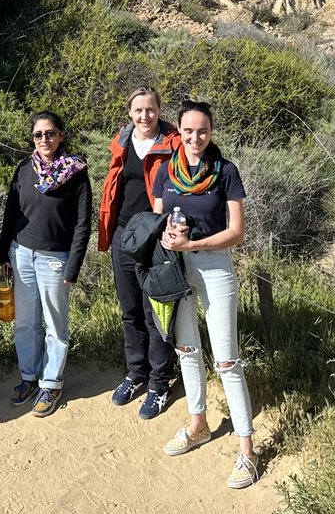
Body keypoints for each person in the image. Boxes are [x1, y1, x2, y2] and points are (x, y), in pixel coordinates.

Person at [151, 100, 259, 489]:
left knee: (227, 361)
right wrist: (169, 236)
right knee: (186, 349)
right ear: (177, 131)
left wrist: (196, 244)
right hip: (177, 268)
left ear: (212, 132)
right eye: (188, 131)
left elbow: (237, 233)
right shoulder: (166, 170)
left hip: (214, 267)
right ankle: (198, 424)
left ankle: (247, 450)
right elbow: (160, 215)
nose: (195, 138)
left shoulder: (225, 171)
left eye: (203, 131)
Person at [0, 110, 92, 418]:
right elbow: (12, 212)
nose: (44, 140)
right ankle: (29, 376)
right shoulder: (25, 170)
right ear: (32, 138)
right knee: (25, 323)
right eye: (38, 135)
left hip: (55, 259)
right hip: (21, 254)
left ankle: (51, 383)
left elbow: (82, 224)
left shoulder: (75, 173)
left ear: (60, 136)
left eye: (50, 133)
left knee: (54, 325)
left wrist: (73, 266)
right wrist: (3, 253)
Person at [98, 86, 181, 419]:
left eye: (150, 109)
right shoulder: (122, 140)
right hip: (123, 235)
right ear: (129, 113)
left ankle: (160, 381)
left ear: (160, 110)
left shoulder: (173, 143)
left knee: (155, 313)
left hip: (155, 238)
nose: (145, 116)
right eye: (138, 110)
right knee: (130, 309)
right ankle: (136, 373)